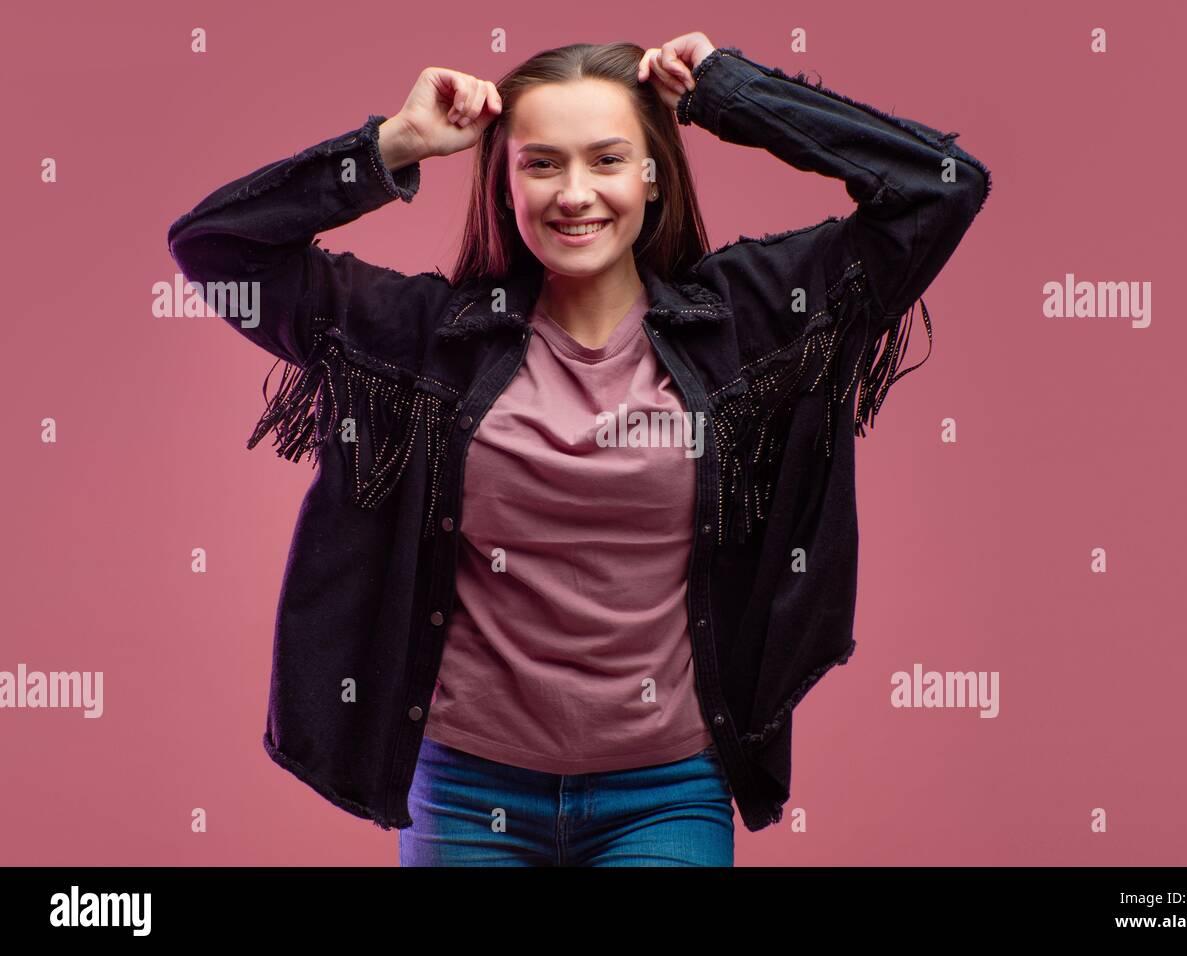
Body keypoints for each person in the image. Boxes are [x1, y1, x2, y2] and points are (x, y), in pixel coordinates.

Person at [166, 31, 991, 866]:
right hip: (463, 792)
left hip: (666, 794)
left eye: (606, 159)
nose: (574, 194)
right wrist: (394, 146)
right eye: (542, 164)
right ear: (505, 182)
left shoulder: (746, 326)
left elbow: (940, 187)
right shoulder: (424, 340)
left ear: (652, 173)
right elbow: (216, 248)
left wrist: (728, 92)